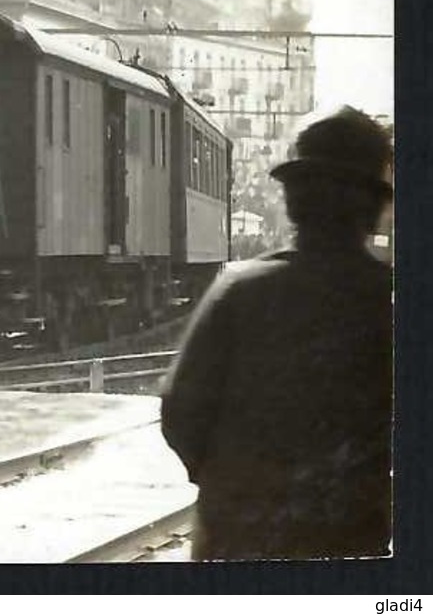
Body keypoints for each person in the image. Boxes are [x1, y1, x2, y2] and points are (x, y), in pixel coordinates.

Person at [160, 106, 393, 560]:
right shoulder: (387, 302)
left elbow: (180, 411)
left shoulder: (238, 291)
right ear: (377, 204)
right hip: (351, 544)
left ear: (291, 199)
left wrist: (227, 483)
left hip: (235, 543)